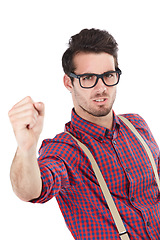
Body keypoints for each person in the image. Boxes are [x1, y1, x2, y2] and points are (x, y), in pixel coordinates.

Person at [8, 28, 160, 240]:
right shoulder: (64, 150)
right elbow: (31, 191)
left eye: (108, 75)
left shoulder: (137, 125)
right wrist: (26, 148)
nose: (101, 88)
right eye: (88, 78)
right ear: (69, 82)